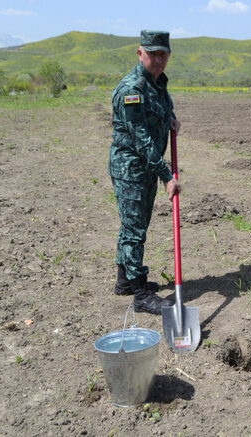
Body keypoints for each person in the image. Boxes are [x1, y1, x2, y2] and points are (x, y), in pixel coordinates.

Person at [109, 30, 181, 314]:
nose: (158, 60)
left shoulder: (157, 84)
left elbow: (162, 113)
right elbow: (140, 138)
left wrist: (171, 120)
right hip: (132, 168)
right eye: (152, 54)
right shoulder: (133, 89)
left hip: (144, 166)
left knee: (132, 224)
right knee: (134, 230)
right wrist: (167, 176)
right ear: (140, 53)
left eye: (163, 54)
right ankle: (140, 294)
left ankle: (124, 281)